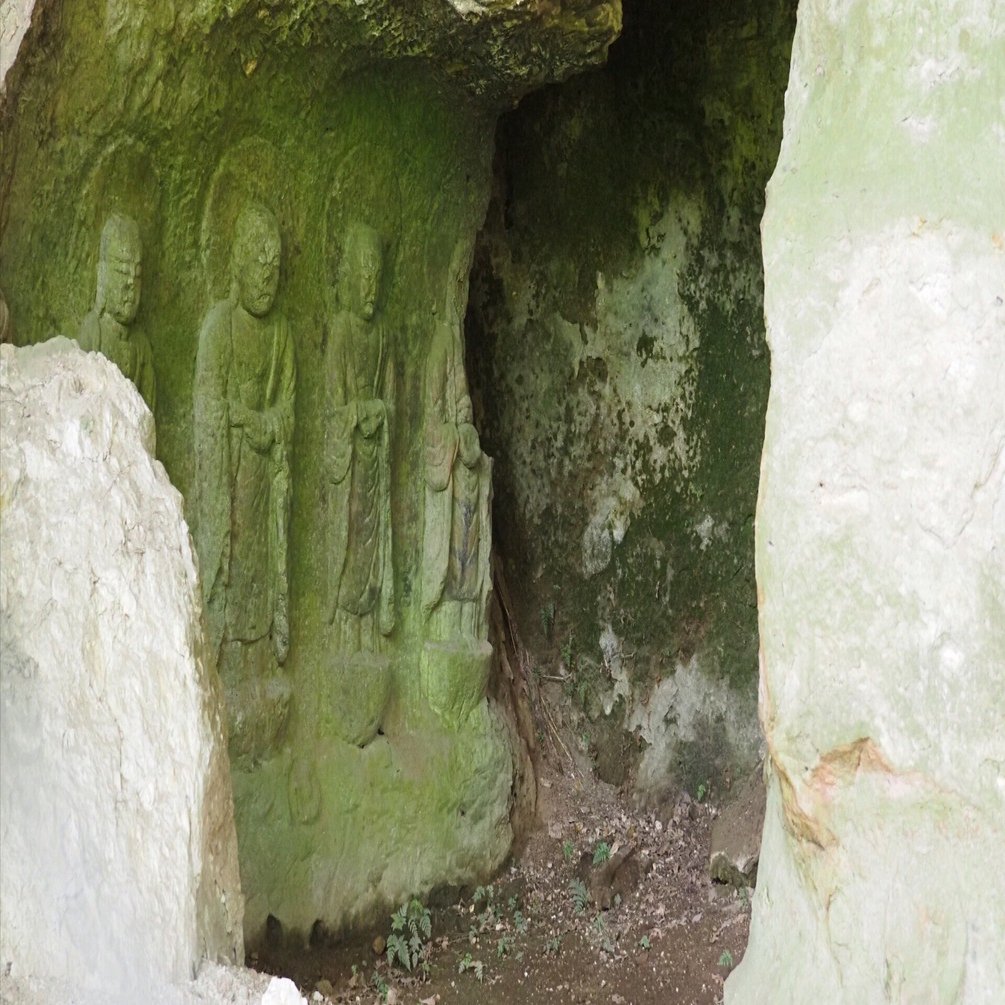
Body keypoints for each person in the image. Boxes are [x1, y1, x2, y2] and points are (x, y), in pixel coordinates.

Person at [194, 203, 295, 746]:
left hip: (261, 477)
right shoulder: (218, 328)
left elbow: (289, 409)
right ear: (236, 263)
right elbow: (206, 410)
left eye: (275, 270)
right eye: (258, 267)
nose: (266, 279)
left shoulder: (280, 335)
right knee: (231, 577)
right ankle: (224, 676)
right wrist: (243, 421)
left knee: (260, 571)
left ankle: (259, 671)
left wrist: (271, 427)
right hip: (229, 481)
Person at [327, 222, 394, 652]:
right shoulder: (340, 332)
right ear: (348, 279)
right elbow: (333, 406)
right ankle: (344, 635)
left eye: (376, 280)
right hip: (350, 458)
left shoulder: (384, 335)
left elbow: (393, 401)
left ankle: (369, 635)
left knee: (373, 548)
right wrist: (355, 414)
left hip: (374, 459)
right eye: (363, 279)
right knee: (350, 540)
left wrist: (379, 413)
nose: (370, 289)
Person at [421, 240, 492, 640]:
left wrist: (464, 413)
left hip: (462, 453)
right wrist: (451, 428)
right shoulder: (440, 345)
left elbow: (462, 398)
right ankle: (447, 615)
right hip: (446, 451)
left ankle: (467, 612)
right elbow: (433, 410)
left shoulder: (457, 345)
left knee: (474, 489)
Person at [77, 213, 156, 410]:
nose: (131, 284)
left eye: (136, 275)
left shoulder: (141, 345)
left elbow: (149, 409)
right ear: (103, 274)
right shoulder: (94, 332)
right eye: (122, 272)